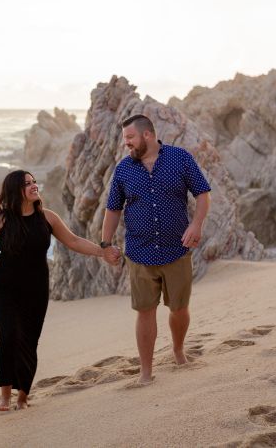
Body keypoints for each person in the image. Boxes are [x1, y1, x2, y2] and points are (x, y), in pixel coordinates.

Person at [0, 170, 119, 411]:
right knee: (8, 337)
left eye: (35, 181)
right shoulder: (0, 219)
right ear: (16, 190)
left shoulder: (47, 218)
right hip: (3, 287)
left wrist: (102, 252)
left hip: (36, 289)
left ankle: (23, 397)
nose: (34, 186)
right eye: (27, 183)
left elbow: (74, 241)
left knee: (29, 341)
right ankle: (5, 396)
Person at [101, 114, 211, 384]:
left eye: (130, 137)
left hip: (177, 248)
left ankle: (177, 349)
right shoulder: (124, 169)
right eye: (125, 138)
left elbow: (202, 194)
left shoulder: (180, 158)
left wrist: (196, 225)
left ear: (147, 135)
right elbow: (113, 209)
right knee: (145, 310)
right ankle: (146, 372)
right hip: (140, 252)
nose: (126, 143)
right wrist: (105, 244)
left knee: (179, 308)